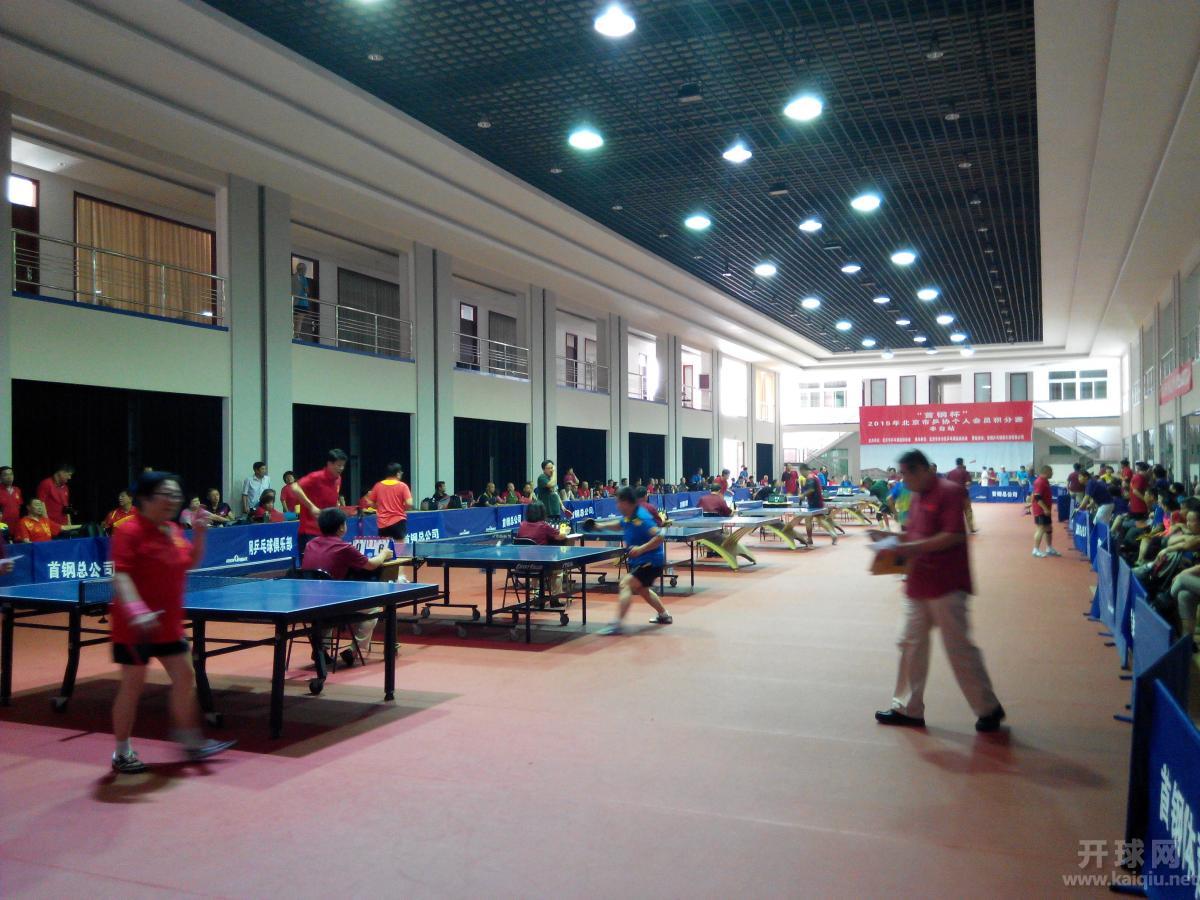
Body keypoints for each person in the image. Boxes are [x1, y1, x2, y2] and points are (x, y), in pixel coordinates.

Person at [108, 471, 235, 773]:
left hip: (168, 623)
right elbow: (121, 575)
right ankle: (122, 752)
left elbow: (189, 562)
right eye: (166, 494)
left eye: (176, 494)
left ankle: (190, 740)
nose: (174, 500)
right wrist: (137, 609)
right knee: (132, 687)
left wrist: (200, 534)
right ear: (145, 498)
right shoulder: (128, 531)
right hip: (135, 626)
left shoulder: (173, 529)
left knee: (185, 677)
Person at [873, 450, 1005, 732]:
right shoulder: (916, 496)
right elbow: (915, 533)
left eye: (906, 474)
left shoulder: (949, 492)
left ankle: (988, 708)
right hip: (918, 583)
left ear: (922, 470)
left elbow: (953, 535)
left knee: (958, 648)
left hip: (947, 584)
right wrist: (890, 540)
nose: (902, 480)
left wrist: (910, 547)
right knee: (909, 643)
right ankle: (907, 708)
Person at [302, 507, 394, 667]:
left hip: (307, 603)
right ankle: (353, 649)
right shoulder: (344, 548)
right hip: (332, 605)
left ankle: (321, 649)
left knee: (324, 604)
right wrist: (384, 554)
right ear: (341, 528)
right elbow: (371, 565)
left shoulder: (310, 544)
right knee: (373, 610)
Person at [584, 487, 672, 634]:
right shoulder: (629, 516)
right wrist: (599, 526)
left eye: (618, 502)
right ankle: (664, 615)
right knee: (642, 589)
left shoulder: (642, 518)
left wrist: (641, 549)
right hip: (642, 560)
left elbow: (659, 536)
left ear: (626, 502)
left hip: (651, 561)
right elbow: (620, 525)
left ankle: (617, 624)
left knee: (625, 583)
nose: (617, 505)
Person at [289, 449, 348, 554]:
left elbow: (333, 502)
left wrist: (340, 522)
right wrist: (311, 507)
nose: (341, 468)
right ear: (329, 464)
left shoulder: (338, 479)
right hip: (310, 531)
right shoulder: (316, 477)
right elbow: (294, 487)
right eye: (339, 465)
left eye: (343, 465)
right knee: (311, 564)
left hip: (329, 532)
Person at [365, 463, 414, 539]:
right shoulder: (403, 486)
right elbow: (409, 503)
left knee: (385, 545)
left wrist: (379, 507)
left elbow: (369, 502)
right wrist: (402, 507)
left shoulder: (378, 486)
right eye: (401, 472)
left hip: (383, 523)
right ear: (398, 473)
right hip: (398, 520)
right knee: (399, 544)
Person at [798, 463, 839, 545]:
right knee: (820, 520)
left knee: (808, 519)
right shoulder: (814, 476)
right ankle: (833, 534)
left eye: (801, 472)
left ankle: (810, 539)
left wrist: (803, 495)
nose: (801, 474)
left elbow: (811, 490)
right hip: (818, 501)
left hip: (814, 503)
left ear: (803, 470)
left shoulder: (810, 477)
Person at [14, 499, 81, 542]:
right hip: (36, 552)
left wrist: (81, 526)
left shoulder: (45, 520)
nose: (40, 507)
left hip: (48, 550)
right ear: (28, 507)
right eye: (37, 505)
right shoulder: (23, 522)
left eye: (41, 505)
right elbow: (26, 541)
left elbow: (63, 527)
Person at [1031, 465, 1061, 557]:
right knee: (1041, 528)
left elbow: (1034, 495)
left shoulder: (1045, 481)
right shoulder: (1039, 482)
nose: (1052, 473)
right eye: (1051, 471)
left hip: (1046, 509)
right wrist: (1045, 509)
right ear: (1046, 472)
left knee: (1048, 528)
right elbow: (1037, 497)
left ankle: (1049, 548)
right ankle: (1035, 550)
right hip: (1041, 510)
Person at [945, 458, 977, 533]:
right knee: (968, 511)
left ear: (956, 463)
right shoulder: (965, 472)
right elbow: (968, 483)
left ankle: (952, 529)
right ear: (962, 463)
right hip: (964, 495)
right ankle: (971, 528)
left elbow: (947, 484)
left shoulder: (950, 473)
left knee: (953, 513)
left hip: (953, 496)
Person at [0, 466, 23, 531]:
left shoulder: (17, 490)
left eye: (11, 474)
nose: (9, 477)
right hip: (2, 527)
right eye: (5, 475)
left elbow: (19, 507)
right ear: (0, 477)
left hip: (16, 526)